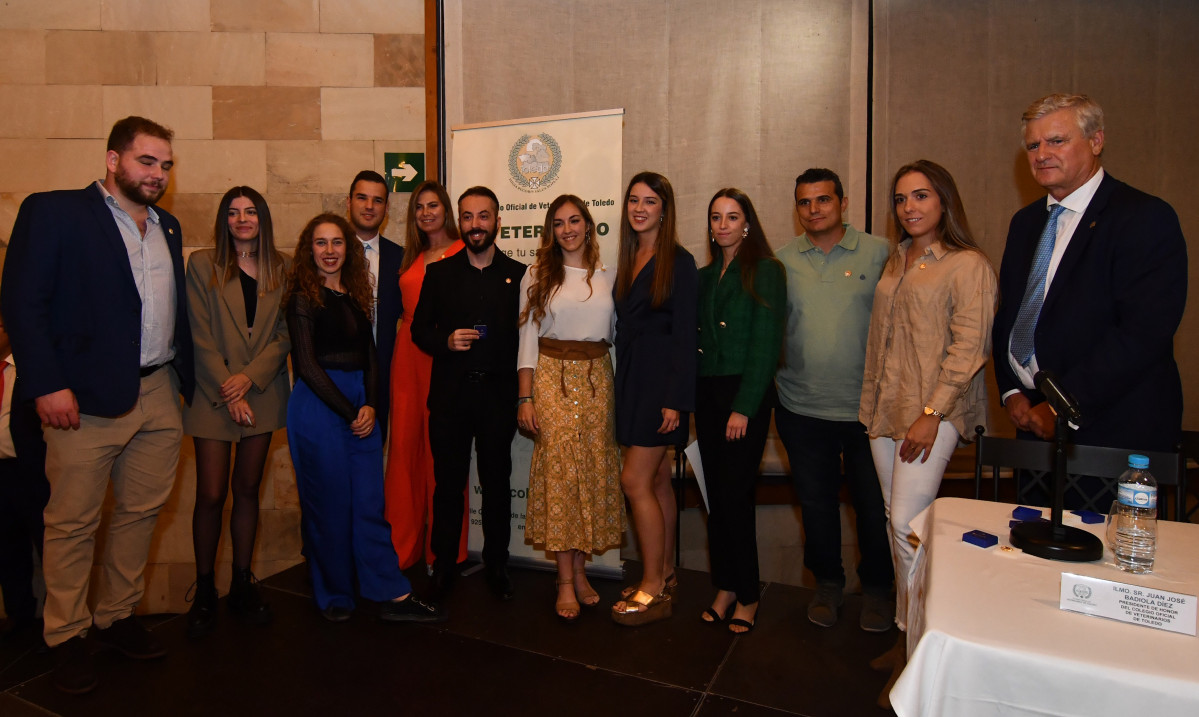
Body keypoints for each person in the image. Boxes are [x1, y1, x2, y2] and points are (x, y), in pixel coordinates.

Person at [0, 116, 195, 695]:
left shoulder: (169, 225)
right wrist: (46, 382)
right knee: (72, 523)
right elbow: (23, 301)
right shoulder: (55, 211)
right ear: (113, 160)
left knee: (140, 513)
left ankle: (115, 616)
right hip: (80, 399)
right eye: (146, 161)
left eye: (165, 164)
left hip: (159, 392)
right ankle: (66, 635)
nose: (157, 174)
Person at [992, 93, 1187, 506]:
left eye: (1056, 141)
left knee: (1105, 565)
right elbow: (1011, 314)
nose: (1042, 154)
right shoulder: (1026, 223)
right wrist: (1012, 393)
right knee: (1030, 559)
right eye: (1033, 145)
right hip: (1035, 433)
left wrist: (1061, 404)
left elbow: (1142, 334)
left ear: (1096, 141)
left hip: (1112, 436)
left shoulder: (1144, 217)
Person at [860, 159, 996, 641]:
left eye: (921, 195)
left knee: (907, 525)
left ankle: (923, 643)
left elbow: (971, 347)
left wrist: (931, 413)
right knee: (895, 524)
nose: (909, 207)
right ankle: (907, 632)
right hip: (885, 409)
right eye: (901, 198)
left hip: (932, 414)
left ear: (944, 200)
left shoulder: (967, 264)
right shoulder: (896, 259)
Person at [284, 213, 443, 624]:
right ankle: (336, 594)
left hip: (360, 407)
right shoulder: (302, 297)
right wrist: (352, 410)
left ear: (348, 249)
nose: (330, 251)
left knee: (371, 503)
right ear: (309, 250)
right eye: (321, 243)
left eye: (337, 242)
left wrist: (372, 404)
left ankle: (388, 590)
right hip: (319, 408)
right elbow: (306, 365)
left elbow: (371, 356)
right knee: (329, 505)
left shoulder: (355, 295)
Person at [774, 168, 894, 632]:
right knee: (816, 505)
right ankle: (827, 583)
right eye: (804, 202)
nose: (813, 210)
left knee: (871, 506)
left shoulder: (881, 252)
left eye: (823, 200)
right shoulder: (781, 259)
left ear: (842, 203)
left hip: (868, 411)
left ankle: (879, 590)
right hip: (800, 409)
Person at [183, 186, 291, 638]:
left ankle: (242, 583)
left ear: (262, 219)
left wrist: (249, 379)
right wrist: (231, 388)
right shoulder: (203, 264)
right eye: (233, 212)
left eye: (250, 212)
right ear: (224, 221)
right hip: (213, 393)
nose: (242, 219)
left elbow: (284, 334)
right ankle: (205, 589)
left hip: (261, 393)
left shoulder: (280, 268)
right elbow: (197, 334)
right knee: (210, 494)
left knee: (246, 490)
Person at [411, 187, 526, 602]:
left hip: (497, 399)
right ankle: (443, 566)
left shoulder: (519, 274)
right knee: (448, 485)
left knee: (497, 485)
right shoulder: (439, 273)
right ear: (458, 222)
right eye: (467, 216)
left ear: (497, 221)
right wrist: (445, 340)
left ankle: (497, 564)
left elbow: (526, 341)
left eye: (483, 216)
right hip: (450, 400)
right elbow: (418, 330)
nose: (475, 224)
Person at [517, 195, 623, 621]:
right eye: (558, 223)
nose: (567, 229)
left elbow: (615, 334)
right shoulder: (536, 274)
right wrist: (525, 396)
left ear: (588, 225)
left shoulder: (609, 276)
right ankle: (563, 580)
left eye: (574, 220)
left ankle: (581, 572)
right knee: (560, 475)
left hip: (598, 380)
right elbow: (526, 339)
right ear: (550, 230)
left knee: (591, 474)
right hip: (550, 379)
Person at [694, 188, 784, 634]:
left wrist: (744, 408)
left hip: (743, 397)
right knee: (716, 497)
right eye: (716, 217)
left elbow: (766, 345)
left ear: (747, 223)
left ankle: (748, 593)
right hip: (708, 395)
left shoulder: (766, 271)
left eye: (732, 216)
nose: (723, 224)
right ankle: (725, 586)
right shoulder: (705, 275)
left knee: (736, 496)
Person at [610, 172, 697, 626]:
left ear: (665, 208)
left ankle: (651, 588)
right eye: (633, 200)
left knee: (634, 482)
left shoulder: (678, 262)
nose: (640, 208)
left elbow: (685, 336)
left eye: (649, 201)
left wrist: (675, 400)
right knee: (659, 481)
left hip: (661, 387)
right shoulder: (630, 256)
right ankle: (664, 572)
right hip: (631, 378)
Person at [383, 180, 469, 572]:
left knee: (444, 454)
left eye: (433, 205)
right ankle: (402, 546)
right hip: (407, 356)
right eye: (419, 207)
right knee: (403, 448)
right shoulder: (411, 255)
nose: (426, 213)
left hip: (443, 356)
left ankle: (446, 550)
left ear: (446, 210)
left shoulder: (463, 251)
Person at [0, 291, 50, 647]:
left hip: (33, 472)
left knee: (51, 547)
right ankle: (19, 614)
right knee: (7, 548)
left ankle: (59, 621)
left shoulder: (32, 370)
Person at [346, 170, 404, 435]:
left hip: (380, 378)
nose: (369, 206)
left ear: (387, 208)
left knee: (370, 458)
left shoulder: (401, 258)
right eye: (362, 198)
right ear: (349, 203)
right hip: (335, 376)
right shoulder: (329, 253)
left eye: (377, 200)